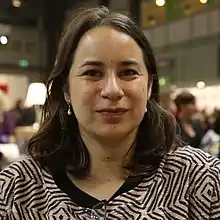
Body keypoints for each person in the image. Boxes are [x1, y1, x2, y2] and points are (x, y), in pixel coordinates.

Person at [0, 7, 219, 219]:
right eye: (93, 73)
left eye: (128, 72)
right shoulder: (16, 190)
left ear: (149, 86)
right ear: (66, 89)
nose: (113, 90)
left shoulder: (201, 181)